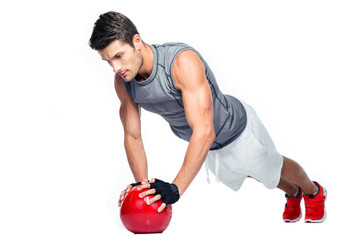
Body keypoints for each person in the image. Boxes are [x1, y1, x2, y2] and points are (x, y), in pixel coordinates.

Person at [89, 11, 327, 223]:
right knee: (255, 172)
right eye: (108, 61)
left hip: (235, 129)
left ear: (137, 41)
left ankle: (313, 191)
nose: (115, 67)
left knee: (272, 165)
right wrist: (143, 188)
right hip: (207, 146)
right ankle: (293, 193)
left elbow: (205, 130)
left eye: (119, 56)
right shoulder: (124, 82)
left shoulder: (181, 62)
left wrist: (175, 188)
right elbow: (133, 136)